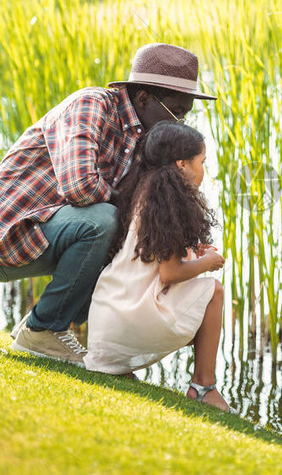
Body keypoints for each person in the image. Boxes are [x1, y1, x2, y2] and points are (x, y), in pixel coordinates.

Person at [0, 44, 216, 366]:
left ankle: (61, 333)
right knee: (105, 221)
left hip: (48, 234)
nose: (182, 121)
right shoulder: (91, 104)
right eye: (178, 111)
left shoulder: (144, 136)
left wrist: (180, 247)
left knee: (129, 237)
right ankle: (43, 328)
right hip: (3, 239)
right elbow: (80, 188)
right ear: (144, 97)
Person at [83, 122, 232, 412]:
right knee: (213, 292)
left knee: (196, 295)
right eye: (202, 163)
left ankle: (118, 364)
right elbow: (170, 273)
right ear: (182, 164)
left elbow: (157, 254)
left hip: (107, 324)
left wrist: (192, 251)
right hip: (129, 321)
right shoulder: (170, 201)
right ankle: (204, 387)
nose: (204, 171)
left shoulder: (146, 191)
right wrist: (207, 263)